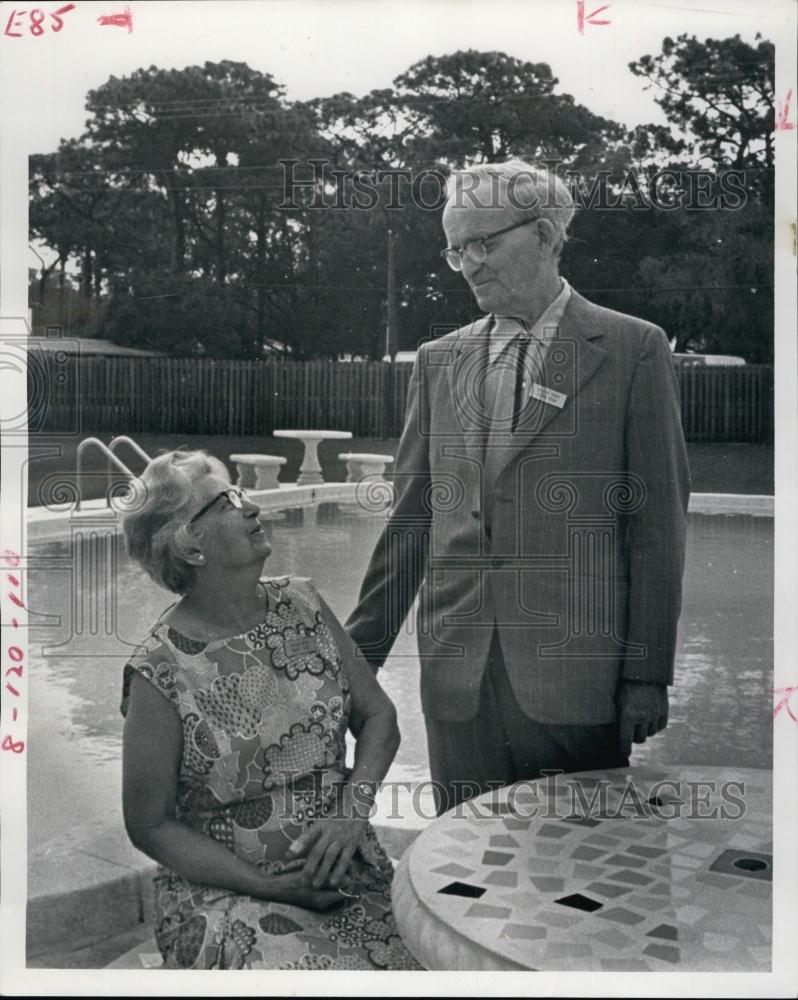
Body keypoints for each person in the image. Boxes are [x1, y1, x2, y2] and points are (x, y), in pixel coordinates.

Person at [346, 160, 690, 816]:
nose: (469, 264)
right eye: (456, 251)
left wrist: (647, 674)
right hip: (456, 679)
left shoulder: (633, 349)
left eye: (484, 243)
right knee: (460, 873)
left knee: (582, 878)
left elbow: (656, 530)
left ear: (544, 234)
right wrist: (353, 665)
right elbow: (411, 524)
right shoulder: (438, 360)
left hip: (576, 678)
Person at [120, 449, 422, 970]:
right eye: (228, 501)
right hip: (223, 894)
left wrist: (353, 810)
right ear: (190, 544)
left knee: (426, 960)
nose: (253, 506)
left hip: (344, 867)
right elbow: (149, 824)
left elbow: (380, 718)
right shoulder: (158, 671)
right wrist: (266, 884)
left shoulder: (303, 604)